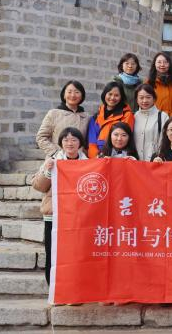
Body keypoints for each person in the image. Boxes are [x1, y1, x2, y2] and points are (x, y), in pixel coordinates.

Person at [31, 127, 87, 284]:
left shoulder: (88, 163)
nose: (70, 143)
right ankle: (53, 289)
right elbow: (38, 186)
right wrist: (48, 171)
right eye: (66, 140)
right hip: (54, 215)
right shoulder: (52, 161)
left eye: (74, 140)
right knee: (53, 253)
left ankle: (73, 286)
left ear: (80, 143)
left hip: (78, 217)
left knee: (75, 253)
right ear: (61, 143)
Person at [36, 80, 89, 158]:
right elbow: (41, 137)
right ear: (64, 95)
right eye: (69, 92)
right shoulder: (54, 114)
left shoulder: (86, 117)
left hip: (80, 159)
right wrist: (55, 153)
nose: (73, 95)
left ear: (82, 96)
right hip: (57, 159)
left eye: (77, 92)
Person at [87, 82, 135, 158]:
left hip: (117, 157)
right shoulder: (96, 116)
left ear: (121, 97)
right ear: (105, 94)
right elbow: (92, 143)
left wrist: (110, 157)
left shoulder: (126, 115)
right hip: (98, 158)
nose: (112, 98)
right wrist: (96, 158)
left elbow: (124, 140)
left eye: (116, 95)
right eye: (110, 94)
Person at [133, 84, 170, 161]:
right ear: (137, 99)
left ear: (154, 98)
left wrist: (160, 157)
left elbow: (166, 141)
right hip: (136, 162)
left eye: (148, 97)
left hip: (155, 161)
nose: (144, 101)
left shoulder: (163, 117)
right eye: (141, 97)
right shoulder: (134, 117)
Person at [146, 52, 172, 116]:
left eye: (165, 62)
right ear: (154, 64)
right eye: (159, 62)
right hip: (156, 118)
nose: (162, 65)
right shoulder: (149, 82)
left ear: (169, 64)